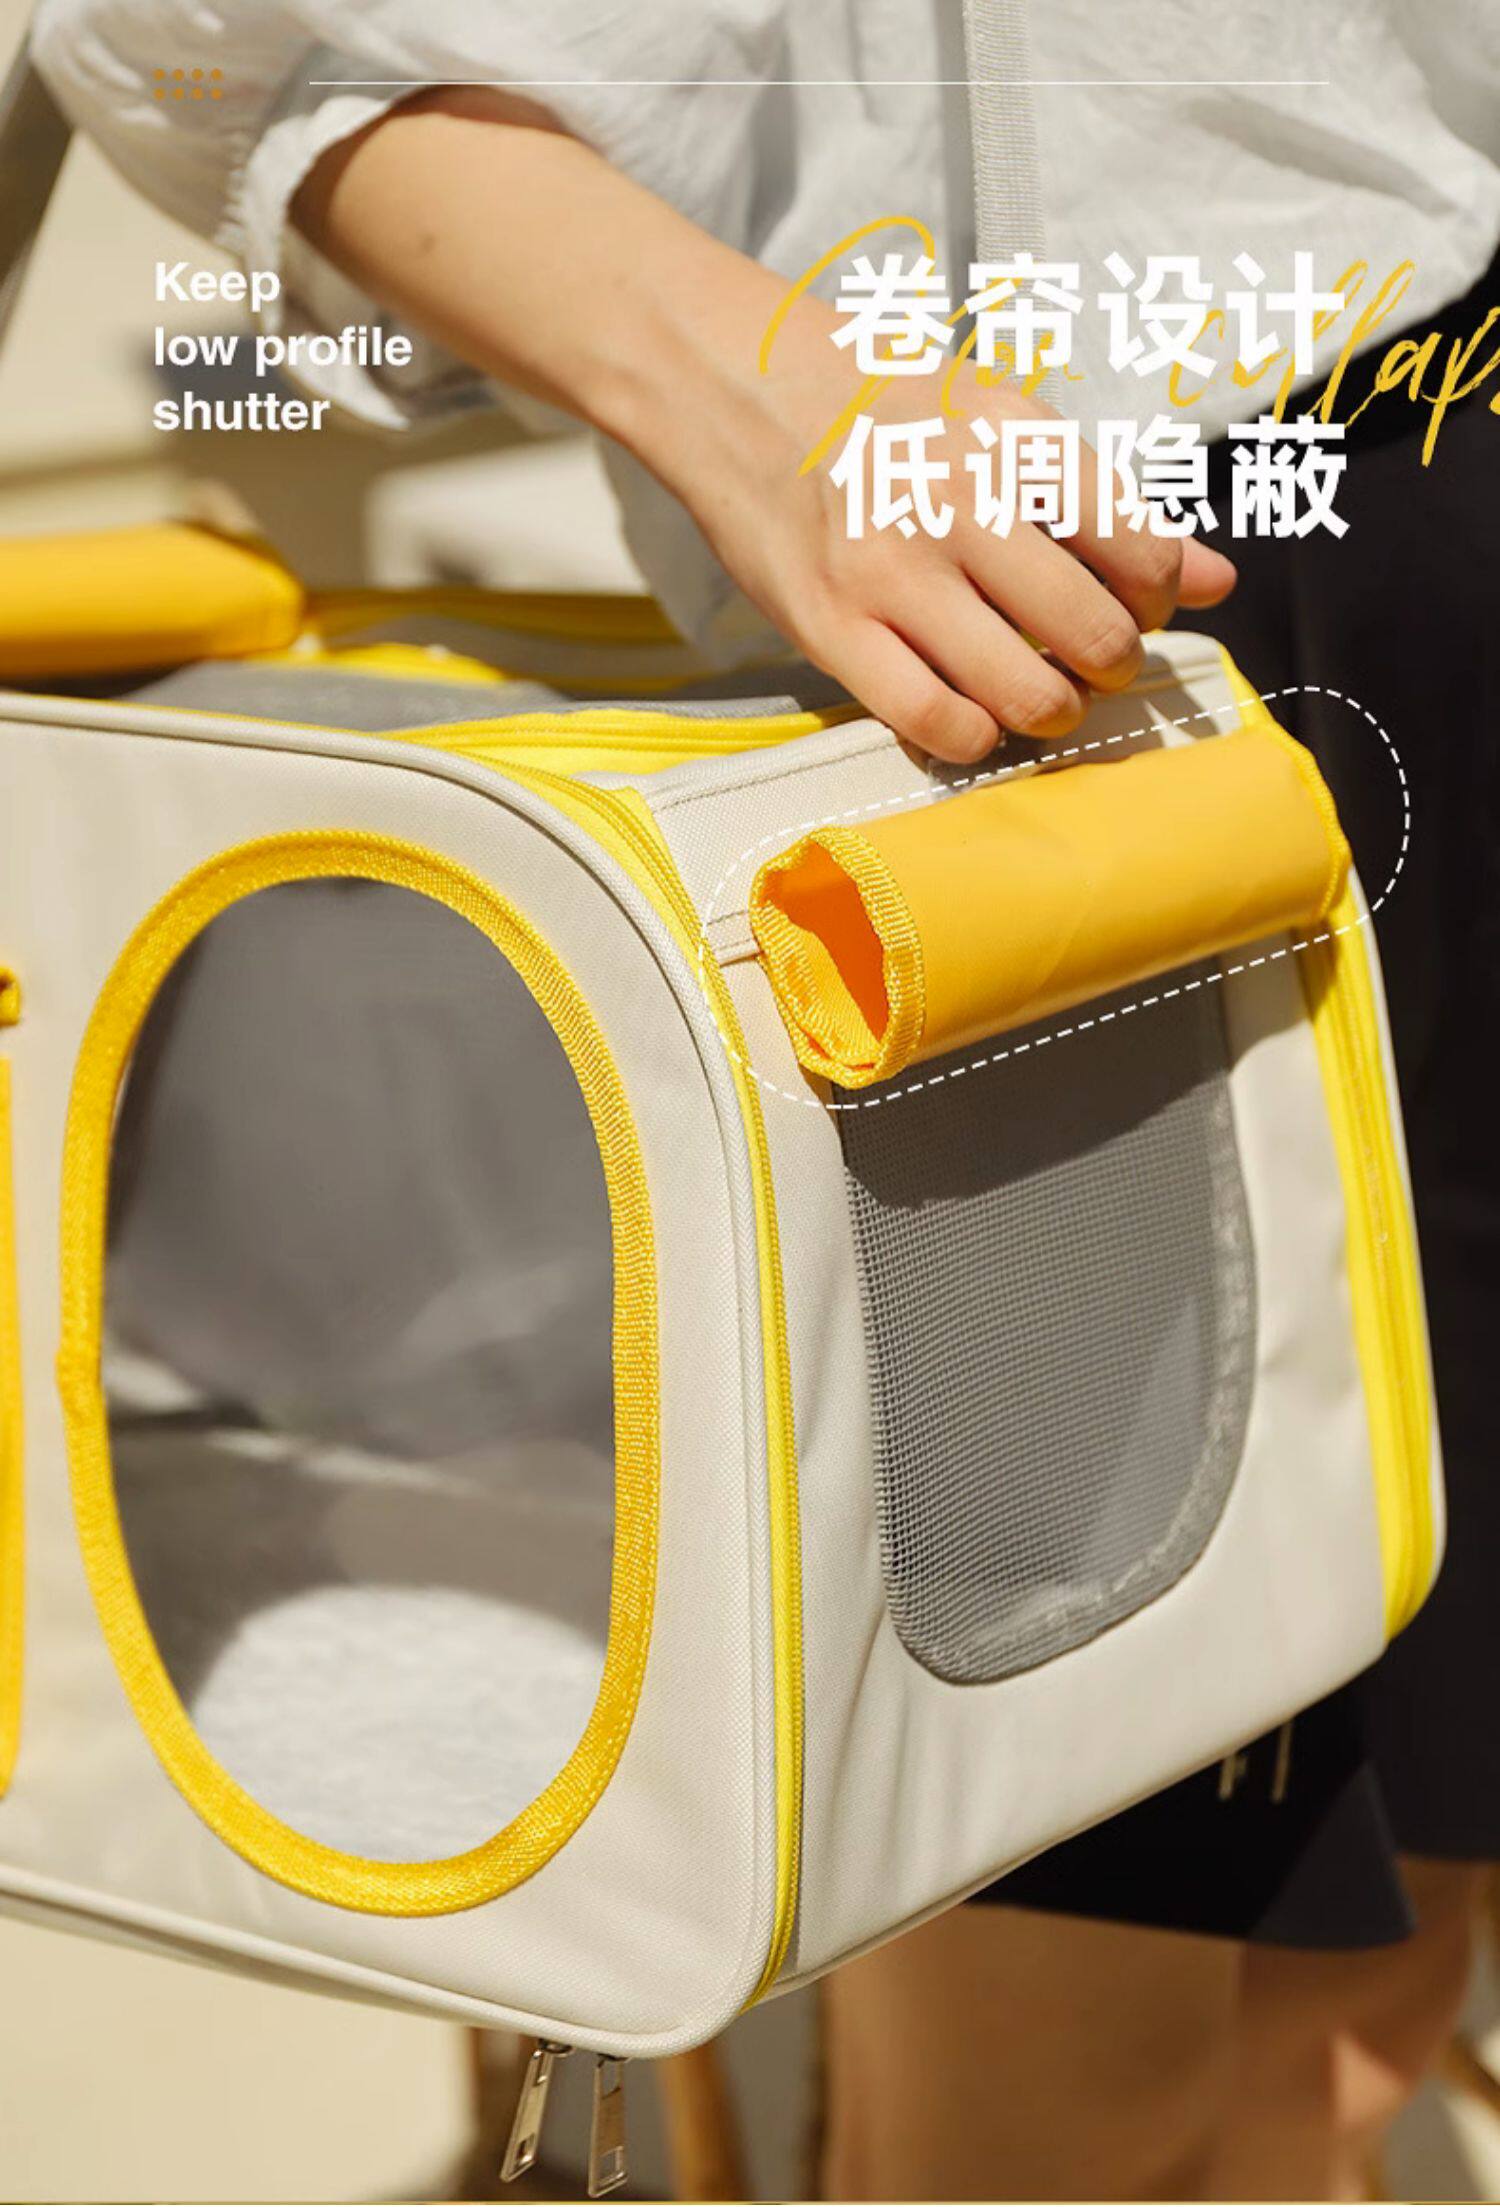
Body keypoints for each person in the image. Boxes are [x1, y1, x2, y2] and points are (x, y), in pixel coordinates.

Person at [33, 2, 1500, 2195]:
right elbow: (191, 34)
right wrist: (762, 387)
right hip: (1048, 639)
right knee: (1053, 2094)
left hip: (1425, 471)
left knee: (1360, 2018)